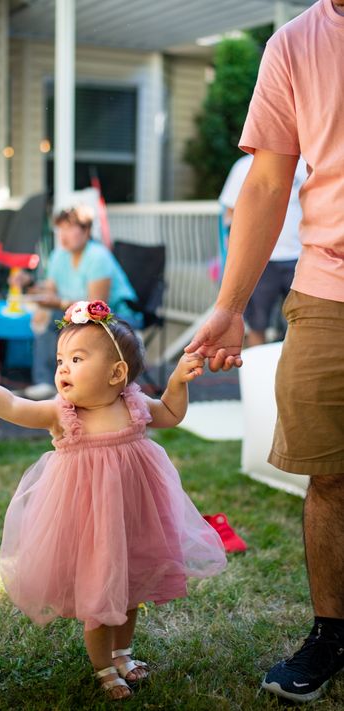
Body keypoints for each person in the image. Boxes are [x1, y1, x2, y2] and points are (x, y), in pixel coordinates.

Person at [0, 299, 227, 701]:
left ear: (117, 373)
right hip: (89, 521)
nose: (63, 368)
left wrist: (178, 382)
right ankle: (103, 668)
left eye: (77, 359)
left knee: (130, 586)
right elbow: (10, 404)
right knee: (100, 590)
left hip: (133, 515)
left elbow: (169, 413)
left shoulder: (133, 404)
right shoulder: (62, 413)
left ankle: (123, 652)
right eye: (61, 359)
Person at [186, 0, 344, 703]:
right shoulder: (296, 43)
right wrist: (227, 306)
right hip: (327, 287)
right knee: (331, 475)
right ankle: (332, 634)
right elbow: (269, 181)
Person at [23, 204, 140, 400]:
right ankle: (47, 381)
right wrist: (31, 286)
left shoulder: (98, 257)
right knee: (44, 318)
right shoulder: (59, 255)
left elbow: (97, 306)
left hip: (116, 316)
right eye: (60, 229)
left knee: (58, 319)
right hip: (77, 313)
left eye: (69, 228)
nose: (63, 235)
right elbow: (50, 290)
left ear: (86, 231)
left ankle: (82, 385)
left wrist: (58, 304)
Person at [219, 154, 306, 346]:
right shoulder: (243, 166)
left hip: (301, 257)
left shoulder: (305, 164)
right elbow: (230, 215)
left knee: (302, 325)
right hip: (260, 261)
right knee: (257, 323)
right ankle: (254, 375)